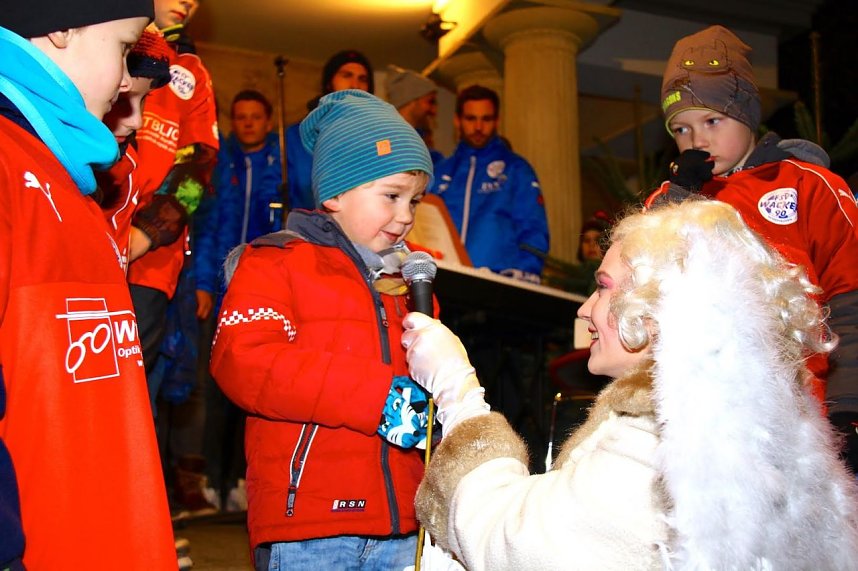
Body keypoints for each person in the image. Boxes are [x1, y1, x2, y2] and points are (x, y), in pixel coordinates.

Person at [402, 199, 858, 570]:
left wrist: (457, 390)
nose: (584, 310)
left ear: (657, 309)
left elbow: (515, 543)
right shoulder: (767, 430)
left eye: (602, 288)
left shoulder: (664, 444)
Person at [210, 89, 434, 570]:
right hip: (310, 527)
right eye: (391, 195)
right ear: (335, 192)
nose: (406, 216)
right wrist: (377, 398)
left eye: (414, 200)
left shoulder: (408, 283)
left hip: (404, 523)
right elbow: (243, 361)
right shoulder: (274, 261)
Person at [0, 2, 177, 568]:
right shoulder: (10, 166)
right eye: (124, 48)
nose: (128, 80)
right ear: (61, 26)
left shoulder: (76, 184)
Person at [644, 25, 858, 475]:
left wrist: (848, 406)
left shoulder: (807, 186)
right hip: (700, 413)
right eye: (681, 129)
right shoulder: (670, 202)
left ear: (747, 115)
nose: (696, 139)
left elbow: (849, 294)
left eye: (712, 121)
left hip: (805, 406)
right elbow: (637, 285)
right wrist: (680, 199)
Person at [194, 89, 283, 510]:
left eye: (255, 116)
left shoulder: (281, 166)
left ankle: (248, 480)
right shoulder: (220, 161)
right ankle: (215, 477)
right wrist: (203, 285)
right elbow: (209, 227)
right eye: (240, 116)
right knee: (217, 389)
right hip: (223, 290)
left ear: (267, 122)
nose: (248, 123)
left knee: (260, 388)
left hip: (267, 290)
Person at [431, 84, 548, 281]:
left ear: (497, 121)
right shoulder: (441, 171)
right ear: (457, 121)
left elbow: (534, 229)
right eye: (471, 119)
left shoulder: (517, 169)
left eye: (486, 119)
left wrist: (525, 272)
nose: (478, 127)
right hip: (444, 282)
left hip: (497, 286)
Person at [98, 25, 175, 273]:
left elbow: (198, 166)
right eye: (121, 100)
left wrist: (151, 230)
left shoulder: (128, 165)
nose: (137, 121)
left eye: (144, 100)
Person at [286, 49, 374, 211]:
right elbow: (276, 195)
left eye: (362, 79)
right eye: (346, 75)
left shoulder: (375, 135)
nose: (355, 85)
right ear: (329, 82)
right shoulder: (296, 135)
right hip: (304, 231)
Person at [384, 64, 444, 168]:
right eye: (430, 102)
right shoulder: (383, 145)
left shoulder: (427, 151)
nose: (434, 110)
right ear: (411, 102)